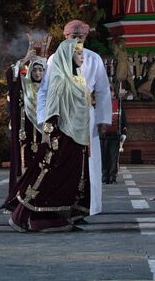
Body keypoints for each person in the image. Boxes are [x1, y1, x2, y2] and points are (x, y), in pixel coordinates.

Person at [9, 37, 93, 232]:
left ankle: (59, 217)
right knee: (49, 175)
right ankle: (31, 217)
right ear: (67, 55)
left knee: (69, 178)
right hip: (61, 134)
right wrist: (48, 132)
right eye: (78, 53)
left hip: (77, 137)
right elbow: (52, 105)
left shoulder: (78, 78)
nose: (82, 56)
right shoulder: (58, 76)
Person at [36, 20, 112, 217]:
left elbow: (103, 91)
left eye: (81, 37)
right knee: (63, 160)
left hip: (87, 116)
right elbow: (45, 91)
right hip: (62, 117)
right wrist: (44, 118)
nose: (77, 40)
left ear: (86, 38)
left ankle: (88, 206)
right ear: (65, 37)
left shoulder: (94, 59)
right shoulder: (54, 60)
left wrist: (104, 119)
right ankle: (61, 206)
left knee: (89, 161)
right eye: (72, 36)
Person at [6, 38, 49, 207]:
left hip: (44, 132)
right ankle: (21, 199)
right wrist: (23, 61)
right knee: (26, 164)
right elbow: (11, 75)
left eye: (41, 70)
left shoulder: (49, 87)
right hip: (27, 132)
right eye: (35, 70)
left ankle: (42, 197)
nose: (38, 73)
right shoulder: (25, 85)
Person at [101, 59, 125, 184]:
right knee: (104, 157)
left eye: (111, 90)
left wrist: (124, 132)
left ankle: (112, 176)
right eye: (108, 90)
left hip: (115, 135)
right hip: (103, 135)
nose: (110, 93)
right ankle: (104, 176)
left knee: (114, 157)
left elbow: (123, 119)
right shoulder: (101, 103)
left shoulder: (119, 104)